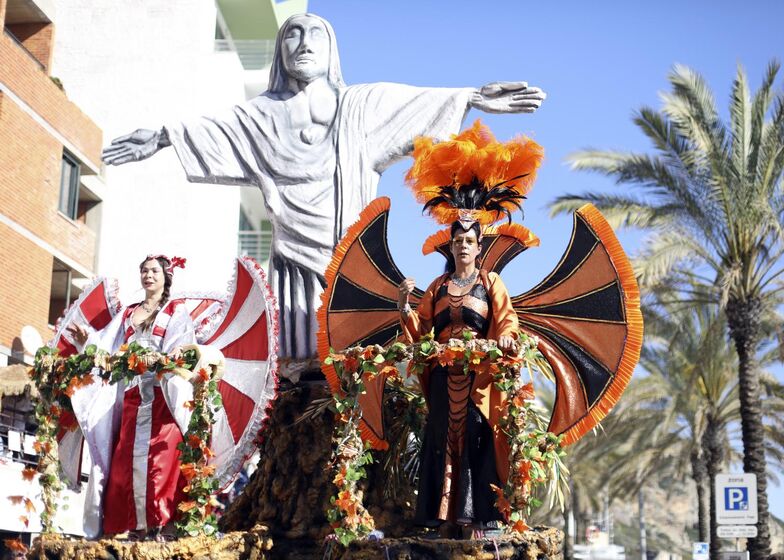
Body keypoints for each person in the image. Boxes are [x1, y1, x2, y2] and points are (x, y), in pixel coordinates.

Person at [100, 13, 546, 380]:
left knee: (349, 358)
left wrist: (470, 97)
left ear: (332, 49)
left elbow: (414, 103)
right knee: (299, 359)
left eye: (316, 33)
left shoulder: (360, 107)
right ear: (281, 51)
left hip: (346, 253)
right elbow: (212, 131)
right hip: (291, 255)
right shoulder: (259, 116)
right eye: (292, 33)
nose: (303, 42)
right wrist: (161, 137)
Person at [396, 121, 542, 537]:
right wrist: (403, 305)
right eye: (456, 239)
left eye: (469, 240)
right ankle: (441, 522)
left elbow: (507, 320)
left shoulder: (491, 283)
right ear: (450, 245)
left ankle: (476, 521)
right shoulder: (438, 287)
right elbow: (419, 329)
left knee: (477, 441)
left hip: (479, 382)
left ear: (479, 246)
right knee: (441, 439)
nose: (462, 245)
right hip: (443, 379)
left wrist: (507, 338)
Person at [67, 255, 196, 540]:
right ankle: (133, 528)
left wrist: (163, 358)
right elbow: (107, 346)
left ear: (166, 276)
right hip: (131, 397)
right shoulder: (128, 313)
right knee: (124, 464)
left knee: (161, 462)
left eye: (154, 271)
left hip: (163, 397)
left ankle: (161, 526)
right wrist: (84, 339)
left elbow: (182, 348)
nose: (148, 275)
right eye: (144, 271)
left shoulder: (176, 311)